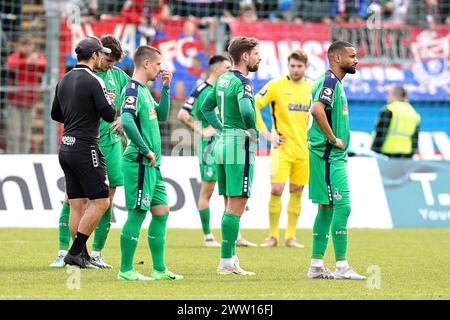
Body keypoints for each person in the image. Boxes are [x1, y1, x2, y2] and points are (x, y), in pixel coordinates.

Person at [50, 35, 129, 269]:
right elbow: (106, 114)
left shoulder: (64, 80)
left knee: (76, 203)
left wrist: (77, 114)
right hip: (87, 146)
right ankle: (74, 253)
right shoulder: (95, 80)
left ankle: (81, 255)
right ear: (95, 55)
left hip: (67, 146)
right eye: (100, 55)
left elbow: (56, 114)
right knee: (102, 201)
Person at [117, 45, 183, 281]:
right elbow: (126, 119)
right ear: (146, 64)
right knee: (137, 213)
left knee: (162, 212)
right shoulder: (133, 89)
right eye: (158, 64)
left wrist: (165, 89)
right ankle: (125, 270)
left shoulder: (144, 91)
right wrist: (145, 149)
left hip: (152, 166)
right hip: (139, 161)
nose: (160, 68)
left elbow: (162, 115)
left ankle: (159, 269)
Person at [201, 36, 261, 276]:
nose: (260, 58)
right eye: (256, 53)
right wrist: (253, 131)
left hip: (223, 143)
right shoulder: (244, 82)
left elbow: (206, 107)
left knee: (228, 204)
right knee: (236, 206)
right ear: (245, 56)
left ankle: (229, 259)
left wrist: (220, 126)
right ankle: (226, 262)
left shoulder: (222, 78)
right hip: (238, 145)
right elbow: (247, 110)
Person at [307, 40, 366, 280]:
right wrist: (333, 139)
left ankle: (316, 266)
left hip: (327, 155)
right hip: (329, 155)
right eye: (352, 56)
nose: (356, 60)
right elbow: (316, 109)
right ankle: (342, 266)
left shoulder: (332, 82)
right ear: (337, 58)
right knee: (343, 206)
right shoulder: (330, 81)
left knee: (327, 208)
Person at [255, 49, 313, 248]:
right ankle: (272, 236)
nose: (295, 70)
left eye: (299, 66)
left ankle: (290, 237)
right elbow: (254, 104)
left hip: (304, 150)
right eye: (292, 66)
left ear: (306, 67)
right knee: (277, 189)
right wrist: (266, 134)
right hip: (282, 149)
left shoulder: (313, 89)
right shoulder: (276, 86)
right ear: (287, 66)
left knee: (297, 190)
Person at [177, 55, 232, 247]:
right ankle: (208, 235)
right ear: (216, 69)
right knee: (207, 190)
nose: (230, 70)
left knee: (229, 192)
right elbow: (182, 114)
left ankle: (233, 235)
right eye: (227, 67)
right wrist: (201, 130)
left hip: (228, 146)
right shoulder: (201, 89)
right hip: (209, 147)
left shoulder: (226, 89)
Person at [6, 34, 46, 154]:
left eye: (29, 45)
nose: (26, 48)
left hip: (30, 101)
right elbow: (11, 64)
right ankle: (12, 157)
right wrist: (27, 62)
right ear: (19, 46)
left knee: (26, 134)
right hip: (14, 101)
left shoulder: (38, 57)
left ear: (33, 46)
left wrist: (33, 61)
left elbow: (44, 65)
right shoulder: (14, 57)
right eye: (24, 45)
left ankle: (23, 157)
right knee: (14, 133)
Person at [371, 85, 420, 158]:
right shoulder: (413, 112)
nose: (388, 97)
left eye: (389, 94)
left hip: (387, 153)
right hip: (406, 154)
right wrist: (411, 153)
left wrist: (374, 152)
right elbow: (415, 138)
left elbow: (380, 134)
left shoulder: (389, 110)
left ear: (394, 95)